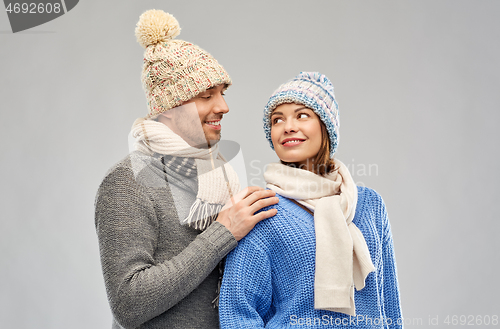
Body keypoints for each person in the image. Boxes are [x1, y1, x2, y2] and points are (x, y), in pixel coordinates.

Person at [94, 10, 278, 329]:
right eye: (207, 95)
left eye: (222, 93)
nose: (223, 106)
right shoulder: (127, 181)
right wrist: (222, 233)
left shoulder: (219, 176)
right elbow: (128, 302)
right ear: (167, 110)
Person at [219, 72, 403, 328]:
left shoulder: (370, 204)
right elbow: (238, 312)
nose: (288, 126)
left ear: (325, 126)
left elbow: (389, 303)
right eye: (277, 120)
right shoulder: (263, 209)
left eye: (302, 115)